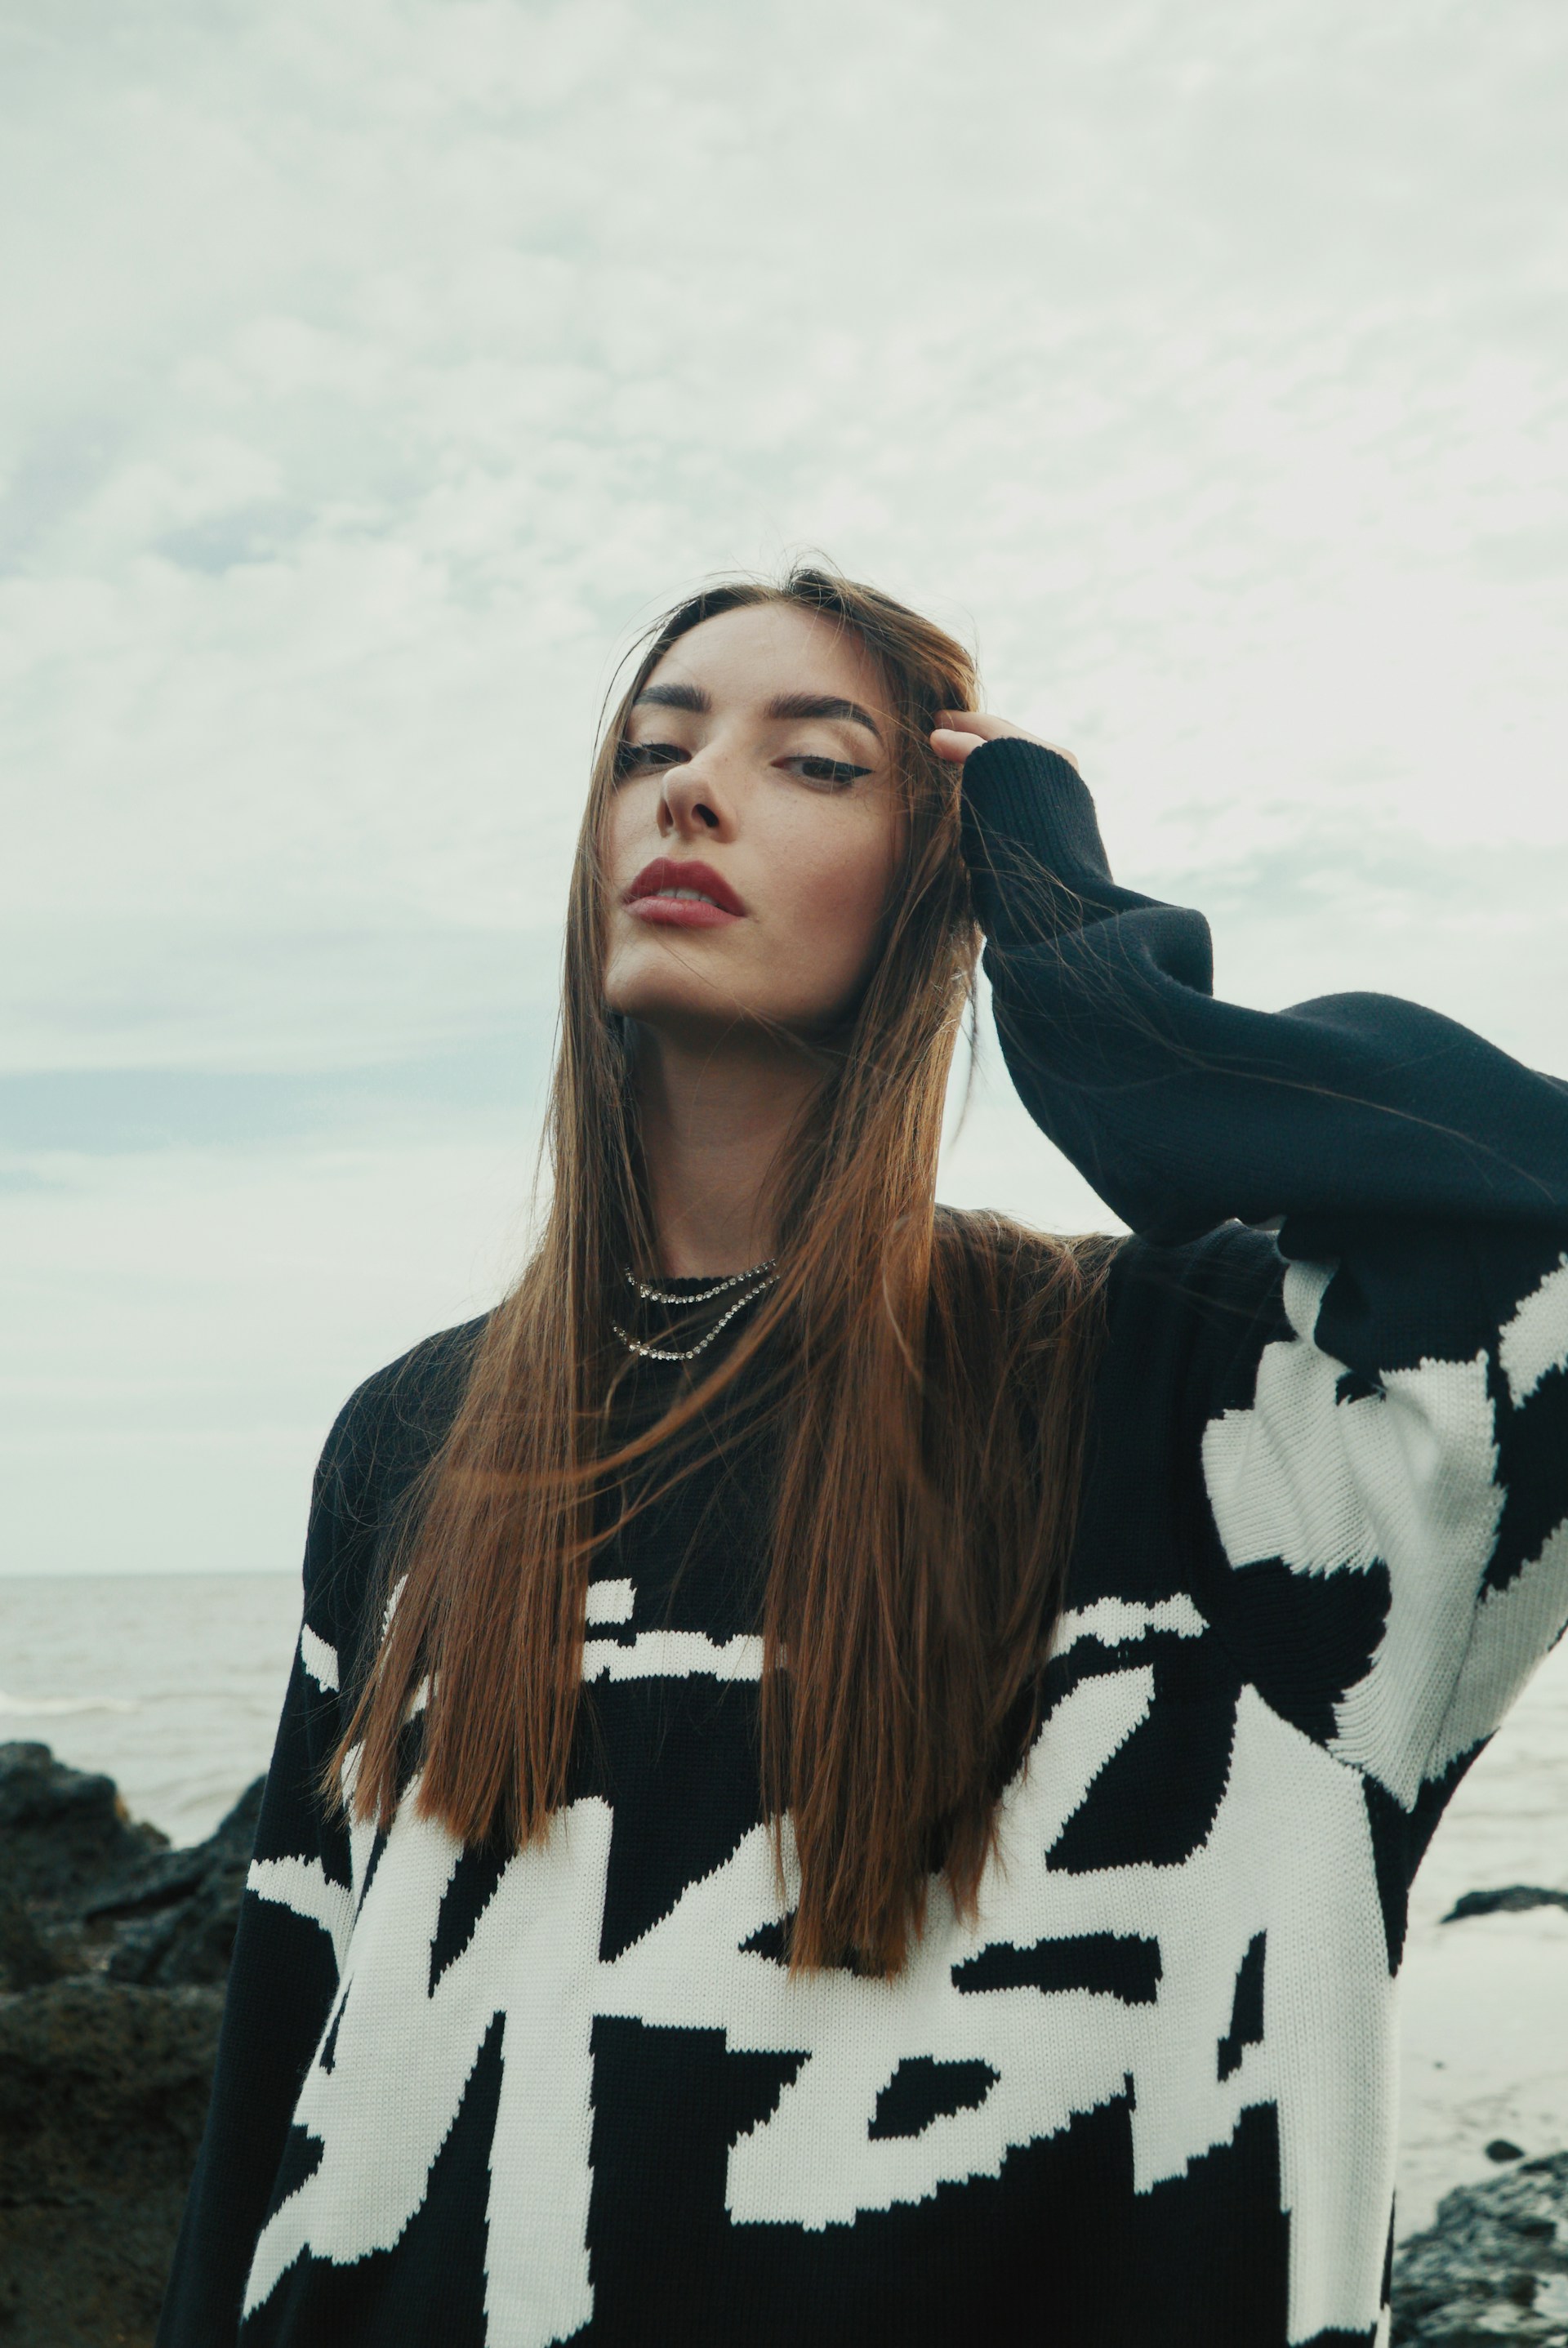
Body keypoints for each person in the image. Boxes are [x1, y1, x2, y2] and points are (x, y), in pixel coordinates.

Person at [157, 566, 1568, 2348]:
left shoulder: (1186, 1391)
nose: (694, 788)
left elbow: (1538, 1244)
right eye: (651, 749)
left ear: (943, 873)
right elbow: (284, 2065)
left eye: (817, 764)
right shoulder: (416, 1440)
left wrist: (1089, 964)